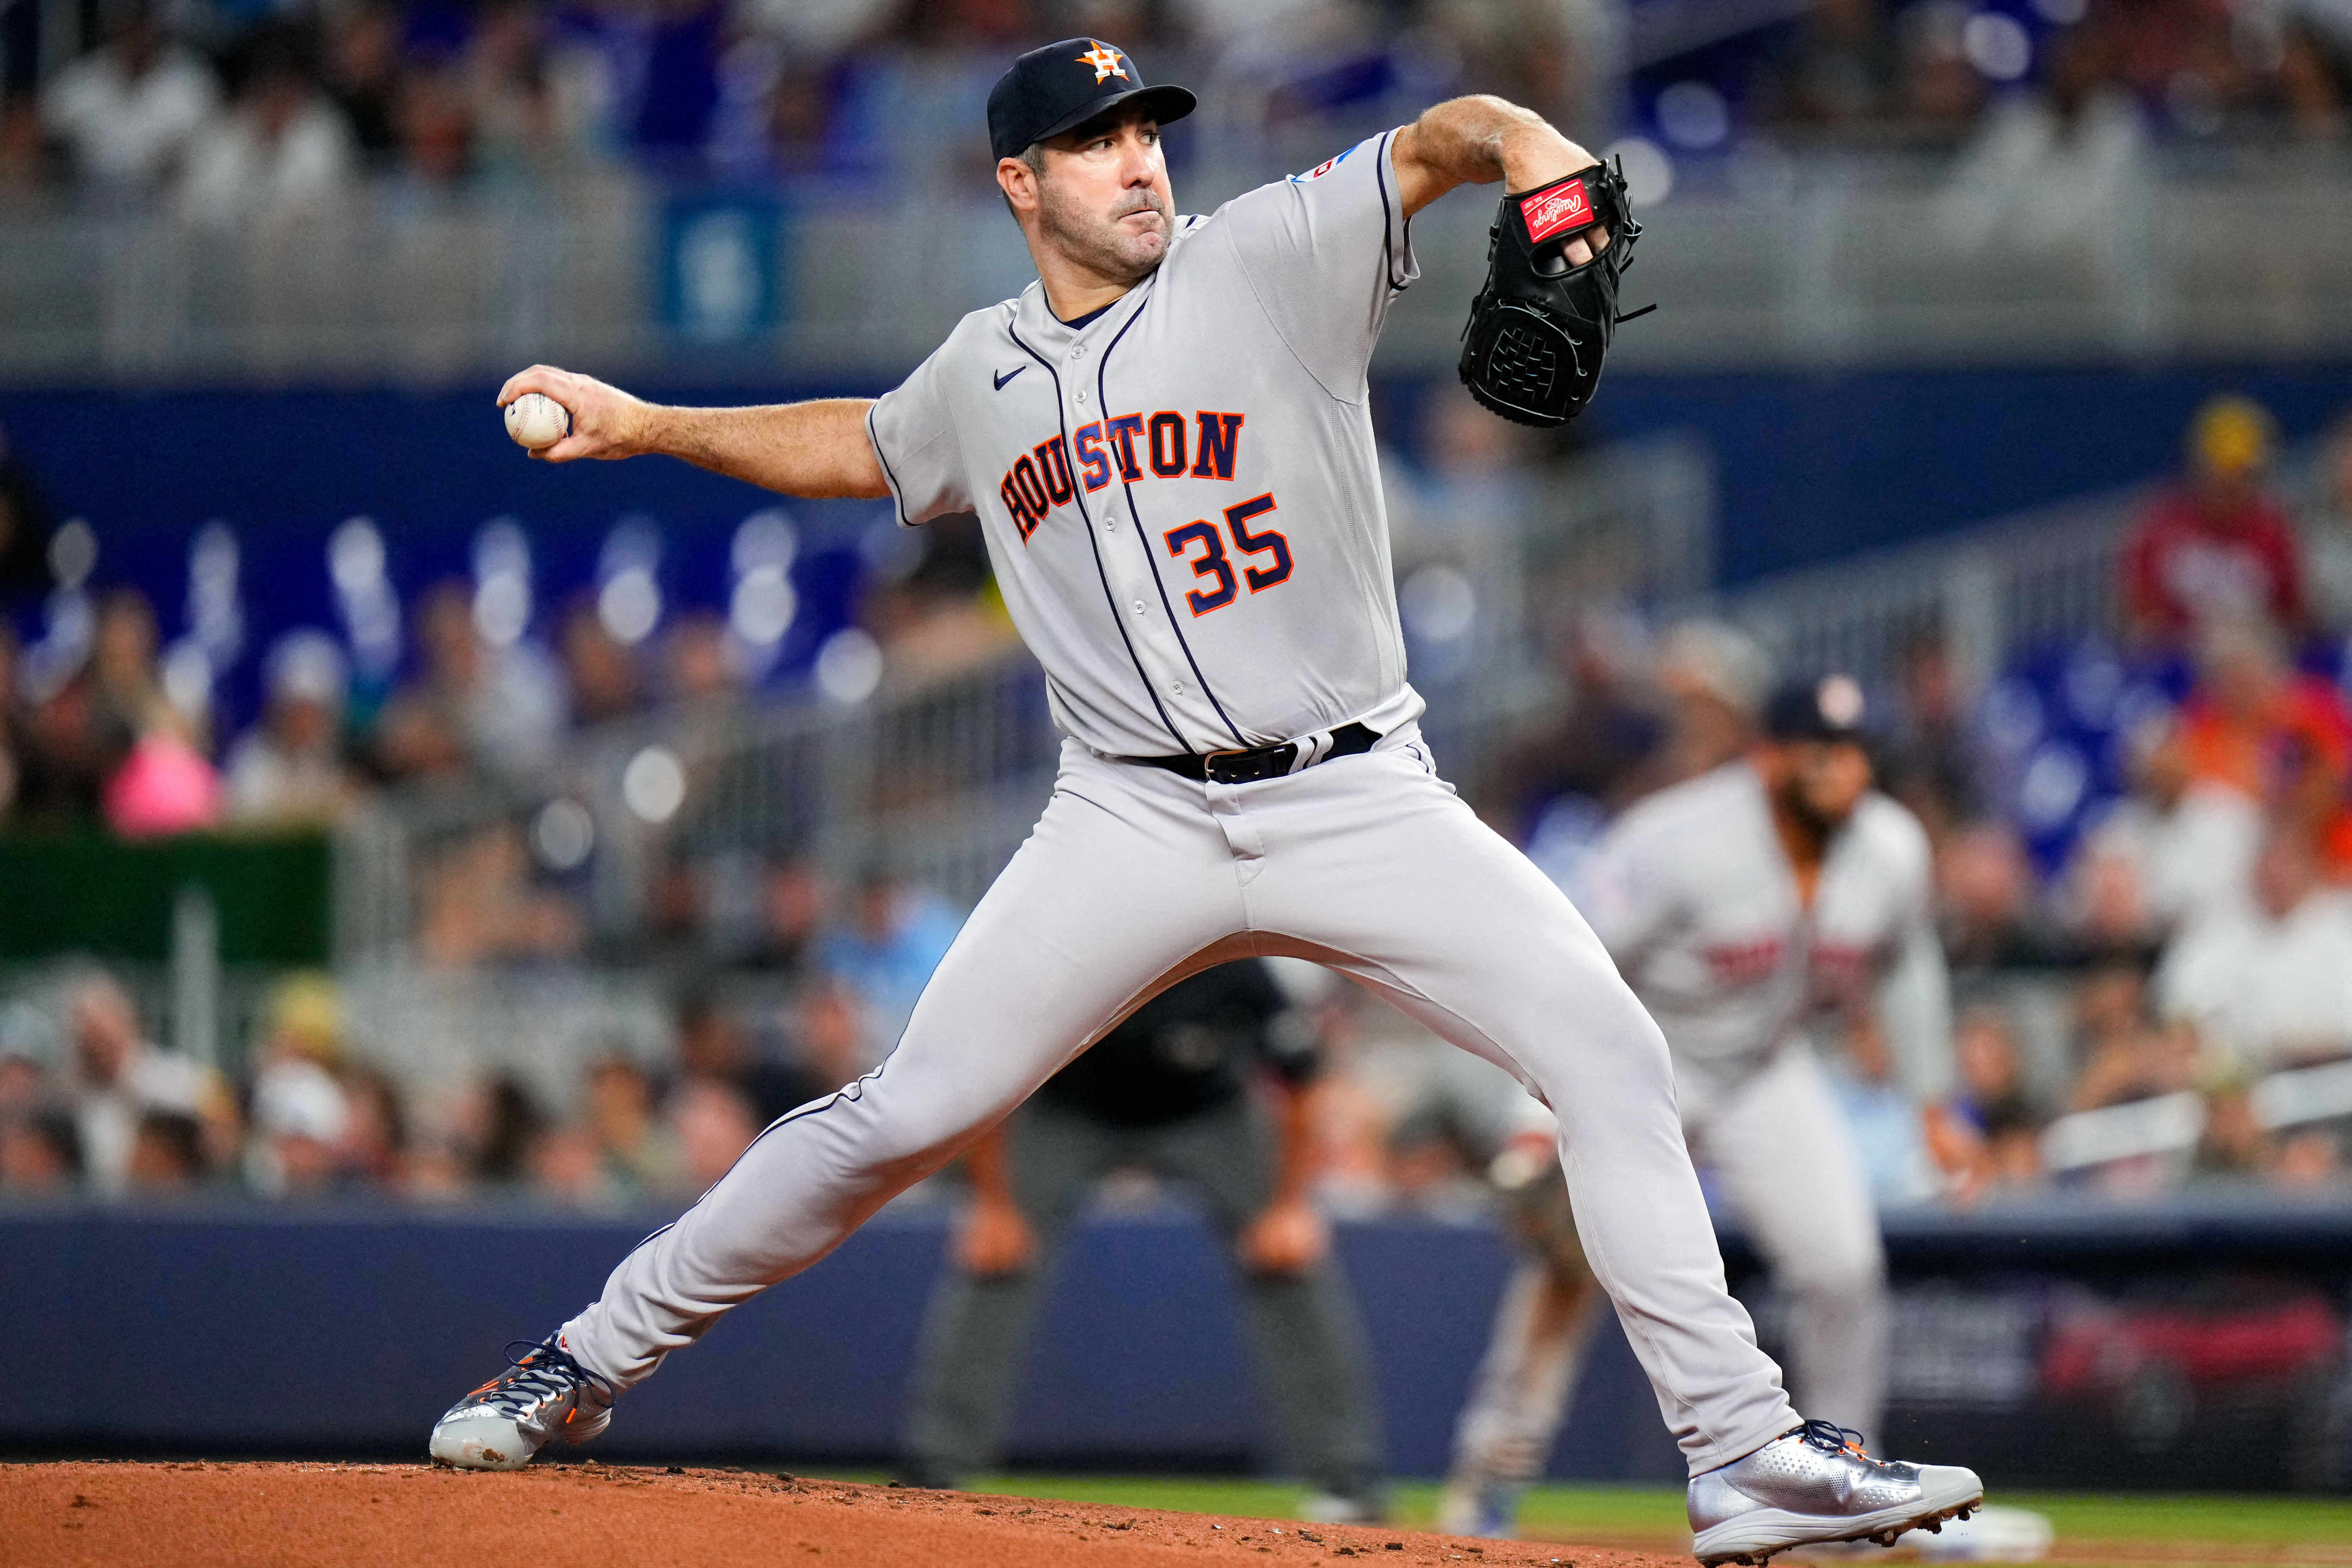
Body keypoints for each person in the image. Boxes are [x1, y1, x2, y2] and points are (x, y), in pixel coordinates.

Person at [431, 40, 1982, 1560]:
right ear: (1019, 182)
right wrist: (645, 423)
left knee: (1607, 1047)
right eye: (1099, 141)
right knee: (903, 1111)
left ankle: (1739, 1450)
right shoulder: (982, 370)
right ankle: (580, 1362)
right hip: (1126, 820)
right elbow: (863, 444)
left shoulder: (1269, 257)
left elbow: (1434, 143)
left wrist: (1521, 137)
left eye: (1150, 130)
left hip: (1354, 789)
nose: (1139, 157)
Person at [1439, 677, 1972, 1539]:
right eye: (1817, 750)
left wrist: (1934, 1102)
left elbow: (1906, 965)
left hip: (1767, 1069)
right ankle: (1488, 1479)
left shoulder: (1890, 848)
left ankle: (1841, 1497)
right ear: (1767, 756)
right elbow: (1562, 963)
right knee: (1566, 1275)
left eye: (1853, 752)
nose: (1839, 771)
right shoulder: (1676, 840)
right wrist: (1537, 1113)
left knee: (1843, 1268)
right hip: (1644, 1054)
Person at [898, 960, 1385, 1521]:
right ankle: (935, 1468)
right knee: (995, 1254)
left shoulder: (1228, 963)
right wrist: (992, 1203)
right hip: (1068, 1108)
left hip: (1206, 1114)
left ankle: (1348, 1479)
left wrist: (1289, 1206)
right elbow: (985, 1076)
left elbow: (1302, 1077)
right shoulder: (1074, 955)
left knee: (1289, 1259)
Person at [2120, 396, 2304, 648]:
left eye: (2241, 476)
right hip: (2176, 666)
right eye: (2221, 476)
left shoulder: (2273, 533)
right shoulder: (2163, 527)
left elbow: (2293, 618)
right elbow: (2140, 616)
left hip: (2252, 662)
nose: (2230, 487)